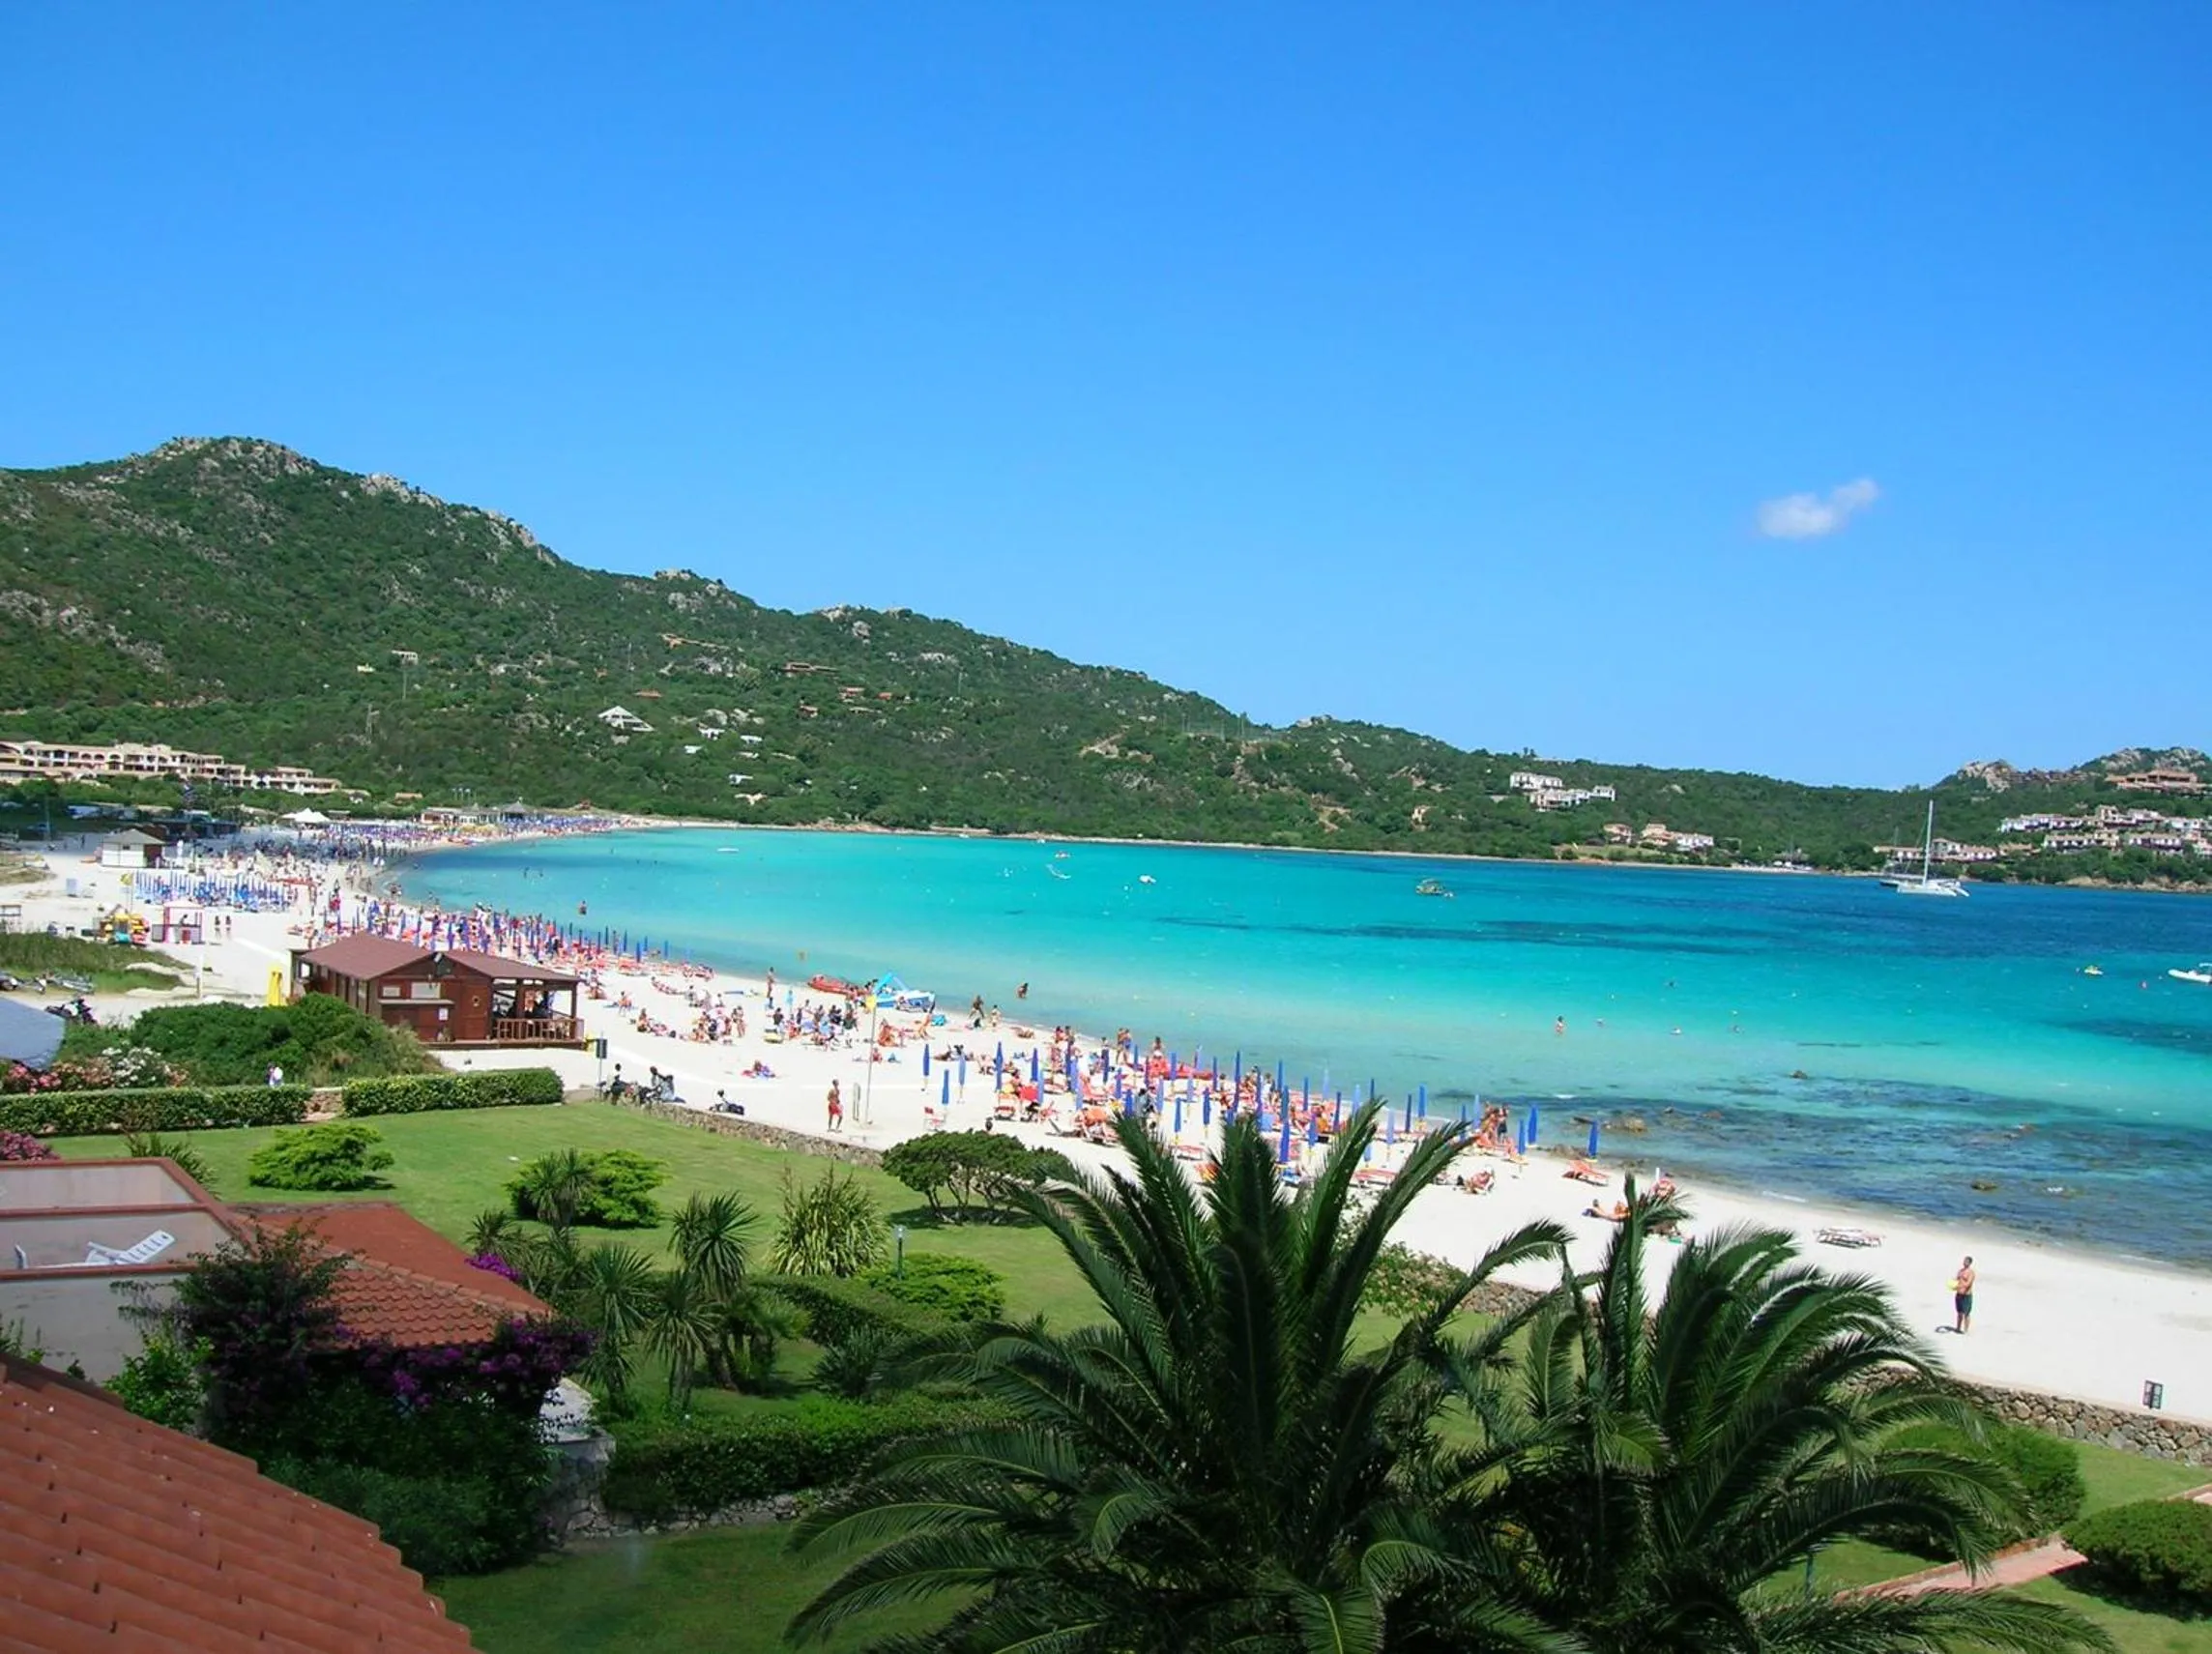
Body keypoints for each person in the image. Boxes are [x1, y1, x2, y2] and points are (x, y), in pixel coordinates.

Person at [1951, 1256, 1976, 1334]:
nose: (1965, 1262)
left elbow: (1968, 1283)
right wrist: (1953, 1285)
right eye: (1964, 1261)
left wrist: (1959, 1286)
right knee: (1959, 1312)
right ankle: (1958, 1328)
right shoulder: (1960, 1271)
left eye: (1967, 1261)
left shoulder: (1971, 1272)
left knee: (1967, 1313)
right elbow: (1956, 1280)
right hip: (1959, 1294)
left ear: (1970, 1263)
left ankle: (1966, 1329)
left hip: (1966, 1295)